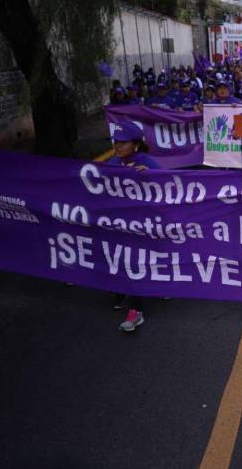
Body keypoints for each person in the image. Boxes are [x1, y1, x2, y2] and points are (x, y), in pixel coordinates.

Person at [105, 124, 159, 332]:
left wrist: (152, 175)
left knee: (135, 262)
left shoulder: (147, 163)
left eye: (123, 142)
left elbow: (171, 186)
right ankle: (120, 290)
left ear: (135, 145)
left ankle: (136, 311)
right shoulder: (111, 163)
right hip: (117, 223)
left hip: (141, 225)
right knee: (118, 259)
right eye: (116, 142)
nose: (118, 146)